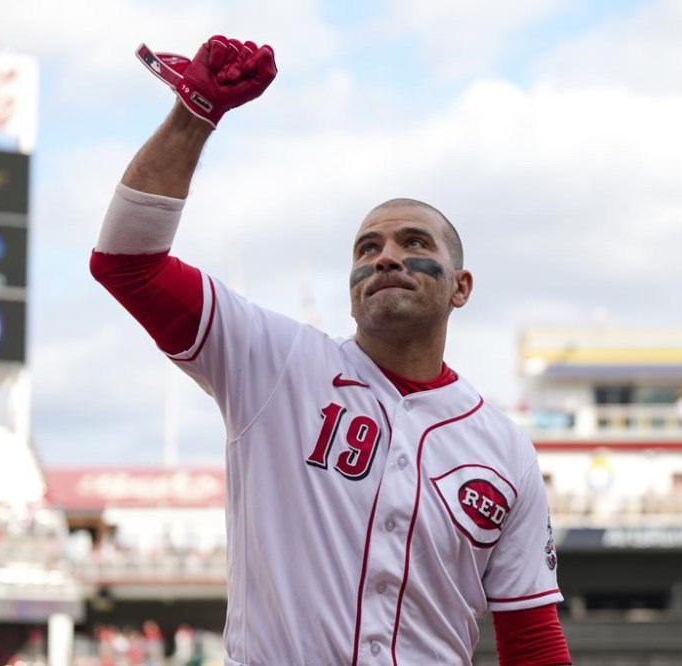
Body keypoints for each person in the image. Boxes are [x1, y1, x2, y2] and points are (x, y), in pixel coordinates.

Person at [91, 34, 572, 665]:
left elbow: (533, 642)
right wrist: (195, 114)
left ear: (462, 287)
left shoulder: (504, 450)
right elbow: (127, 264)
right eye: (366, 248)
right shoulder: (275, 363)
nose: (387, 256)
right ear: (350, 288)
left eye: (413, 242)